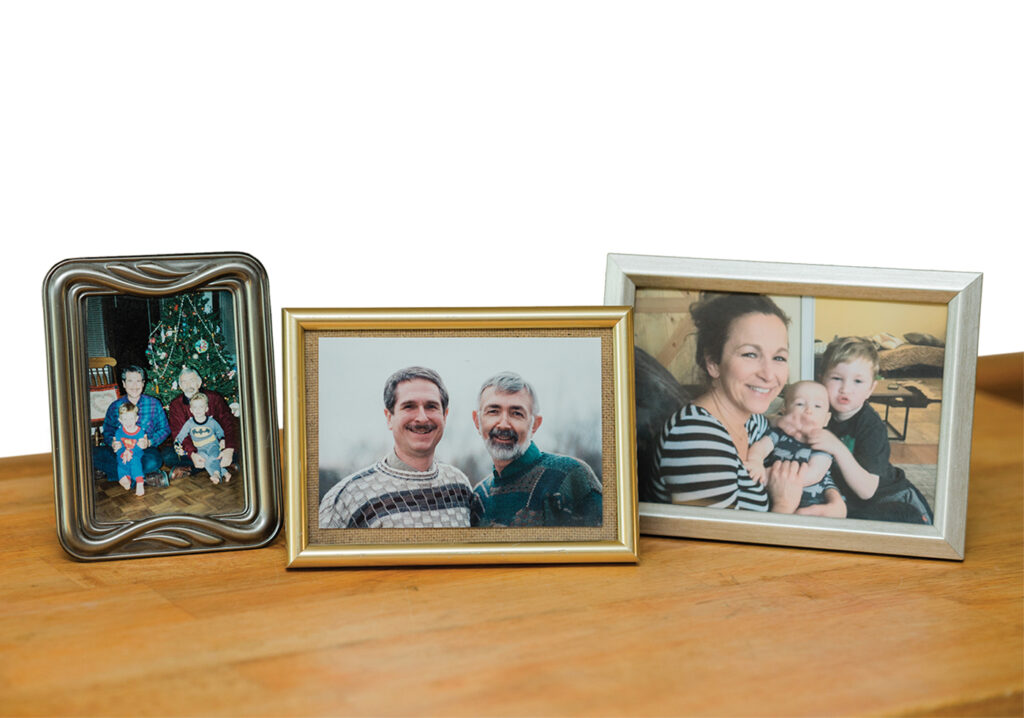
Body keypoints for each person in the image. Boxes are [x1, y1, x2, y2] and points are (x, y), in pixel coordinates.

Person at [653, 293, 806, 512]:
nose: (769, 374)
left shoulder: (750, 420)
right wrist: (784, 504)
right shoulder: (696, 436)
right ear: (713, 363)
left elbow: (771, 424)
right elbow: (715, 546)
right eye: (750, 354)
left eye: (779, 357)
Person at [784, 338, 933, 524]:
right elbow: (788, 425)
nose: (846, 389)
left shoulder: (871, 426)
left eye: (858, 381)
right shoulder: (818, 411)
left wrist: (837, 447)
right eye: (837, 378)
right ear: (821, 379)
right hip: (850, 496)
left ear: (871, 389)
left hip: (889, 496)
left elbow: (867, 491)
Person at [318, 367, 478, 529]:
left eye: (431, 406)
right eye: (409, 406)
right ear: (389, 418)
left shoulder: (460, 486)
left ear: (445, 415)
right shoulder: (349, 498)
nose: (422, 418)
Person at [472, 371, 602, 527]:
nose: (504, 424)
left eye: (516, 413)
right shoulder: (479, 496)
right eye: (493, 411)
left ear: (535, 424)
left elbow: (607, 546)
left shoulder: (571, 476)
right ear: (477, 422)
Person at [745, 381, 846, 518]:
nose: (808, 410)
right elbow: (761, 447)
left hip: (813, 504)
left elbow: (814, 473)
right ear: (785, 410)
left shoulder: (822, 442)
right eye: (800, 404)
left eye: (817, 406)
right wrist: (755, 461)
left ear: (826, 419)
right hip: (775, 501)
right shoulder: (778, 433)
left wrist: (768, 476)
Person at [93, 365, 170, 485]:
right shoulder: (114, 406)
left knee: (154, 461)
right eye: (130, 381)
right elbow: (107, 431)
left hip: (144, 452)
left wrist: (149, 442)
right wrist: (113, 443)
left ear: (143, 383)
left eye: (138, 381)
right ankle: (141, 478)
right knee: (91, 454)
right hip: (121, 451)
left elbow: (165, 429)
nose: (134, 386)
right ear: (123, 384)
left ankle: (123, 476)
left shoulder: (154, 404)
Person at [164, 367, 239, 481]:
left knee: (236, 449)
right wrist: (192, 453)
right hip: (195, 448)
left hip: (215, 446)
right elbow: (179, 432)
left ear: (199, 383)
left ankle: (191, 469)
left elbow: (228, 423)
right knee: (167, 456)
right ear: (180, 386)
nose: (188, 385)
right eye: (184, 382)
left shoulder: (214, 398)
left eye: (192, 380)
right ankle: (221, 465)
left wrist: (228, 449)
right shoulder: (176, 404)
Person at [172, 392, 229, 484]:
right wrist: (177, 443)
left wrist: (222, 439)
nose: (197, 410)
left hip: (213, 445)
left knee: (213, 457)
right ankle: (225, 472)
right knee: (204, 459)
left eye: (201, 407)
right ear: (191, 410)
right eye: (195, 407)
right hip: (200, 448)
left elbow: (219, 431)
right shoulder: (189, 423)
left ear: (206, 409)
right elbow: (181, 434)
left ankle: (216, 474)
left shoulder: (211, 421)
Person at [112, 402, 147, 497]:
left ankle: (139, 482)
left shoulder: (140, 431)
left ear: (136, 418)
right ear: (120, 420)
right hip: (123, 453)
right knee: (120, 462)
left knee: (135, 461)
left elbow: (140, 446)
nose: (128, 422)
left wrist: (130, 451)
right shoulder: (119, 432)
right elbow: (119, 446)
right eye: (125, 419)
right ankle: (125, 477)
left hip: (136, 452)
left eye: (131, 418)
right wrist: (122, 453)